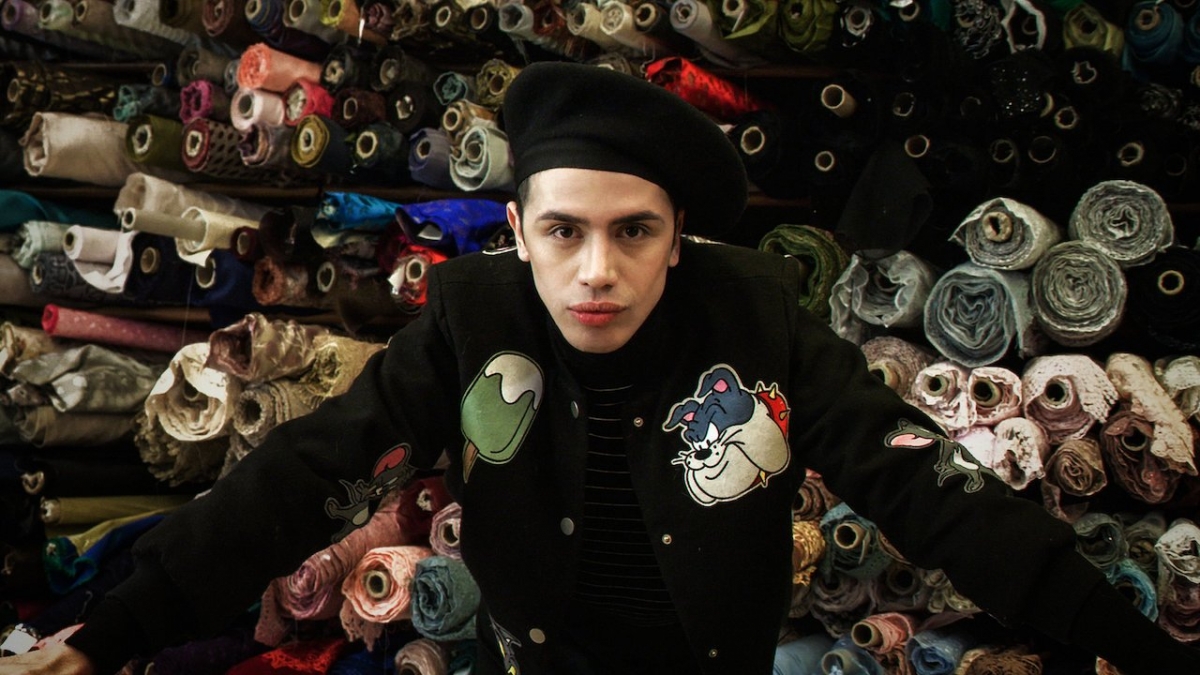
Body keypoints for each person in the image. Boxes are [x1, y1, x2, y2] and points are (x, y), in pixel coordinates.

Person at [2, 61, 1197, 675]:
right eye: (564, 231)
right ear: (518, 233)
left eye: (634, 232)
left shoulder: (757, 319)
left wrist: (1133, 644)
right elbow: (306, 472)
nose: (596, 271)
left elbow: (926, 487)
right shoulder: (473, 319)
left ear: (680, 241)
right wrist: (112, 632)